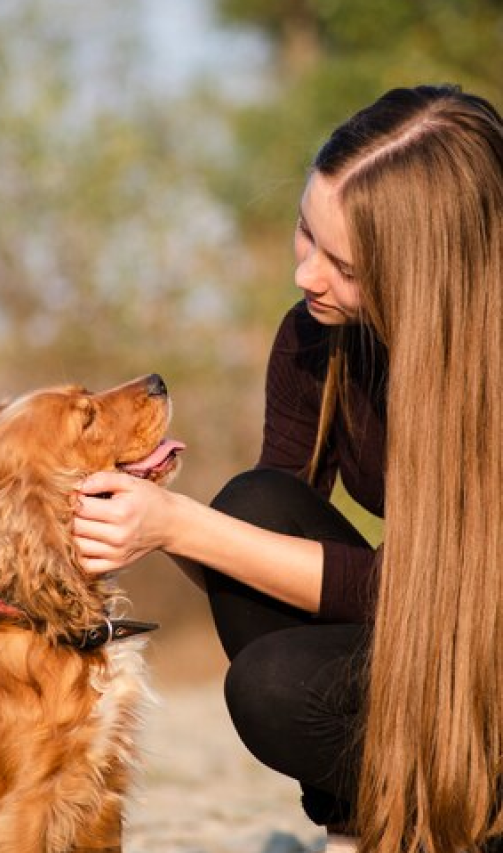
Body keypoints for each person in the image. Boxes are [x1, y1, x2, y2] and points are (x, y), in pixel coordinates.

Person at [73, 84, 503, 853]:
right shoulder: (316, 337)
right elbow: (259, 556)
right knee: (256, 502)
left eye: (344, 263)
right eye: (306, 232)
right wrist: (158, 521)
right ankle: (363, 821)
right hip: (433, 640)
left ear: (426, 272)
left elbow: (441, 592)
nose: (308, 274)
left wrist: (185, 524)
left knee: (272, 679)